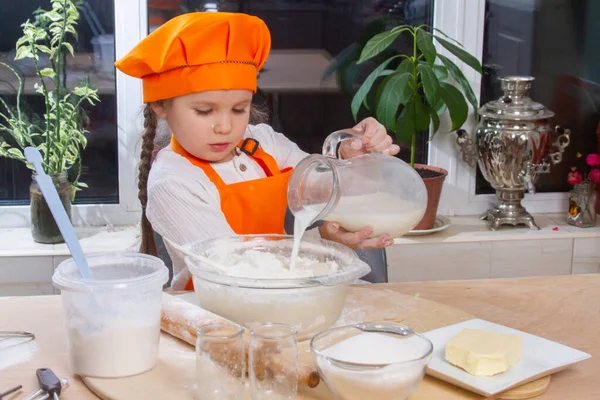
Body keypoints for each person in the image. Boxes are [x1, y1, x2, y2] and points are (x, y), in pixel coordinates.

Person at [115, 12, 400, 290]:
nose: (225, 127)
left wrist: (350, 160)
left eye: (239, 109)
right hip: (221, 318)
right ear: (160, 106)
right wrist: (321, 239)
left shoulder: (264, 143)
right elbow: (238, 269)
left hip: (292, 296)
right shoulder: (173, 182)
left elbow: (322, 185)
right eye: (204, 111)